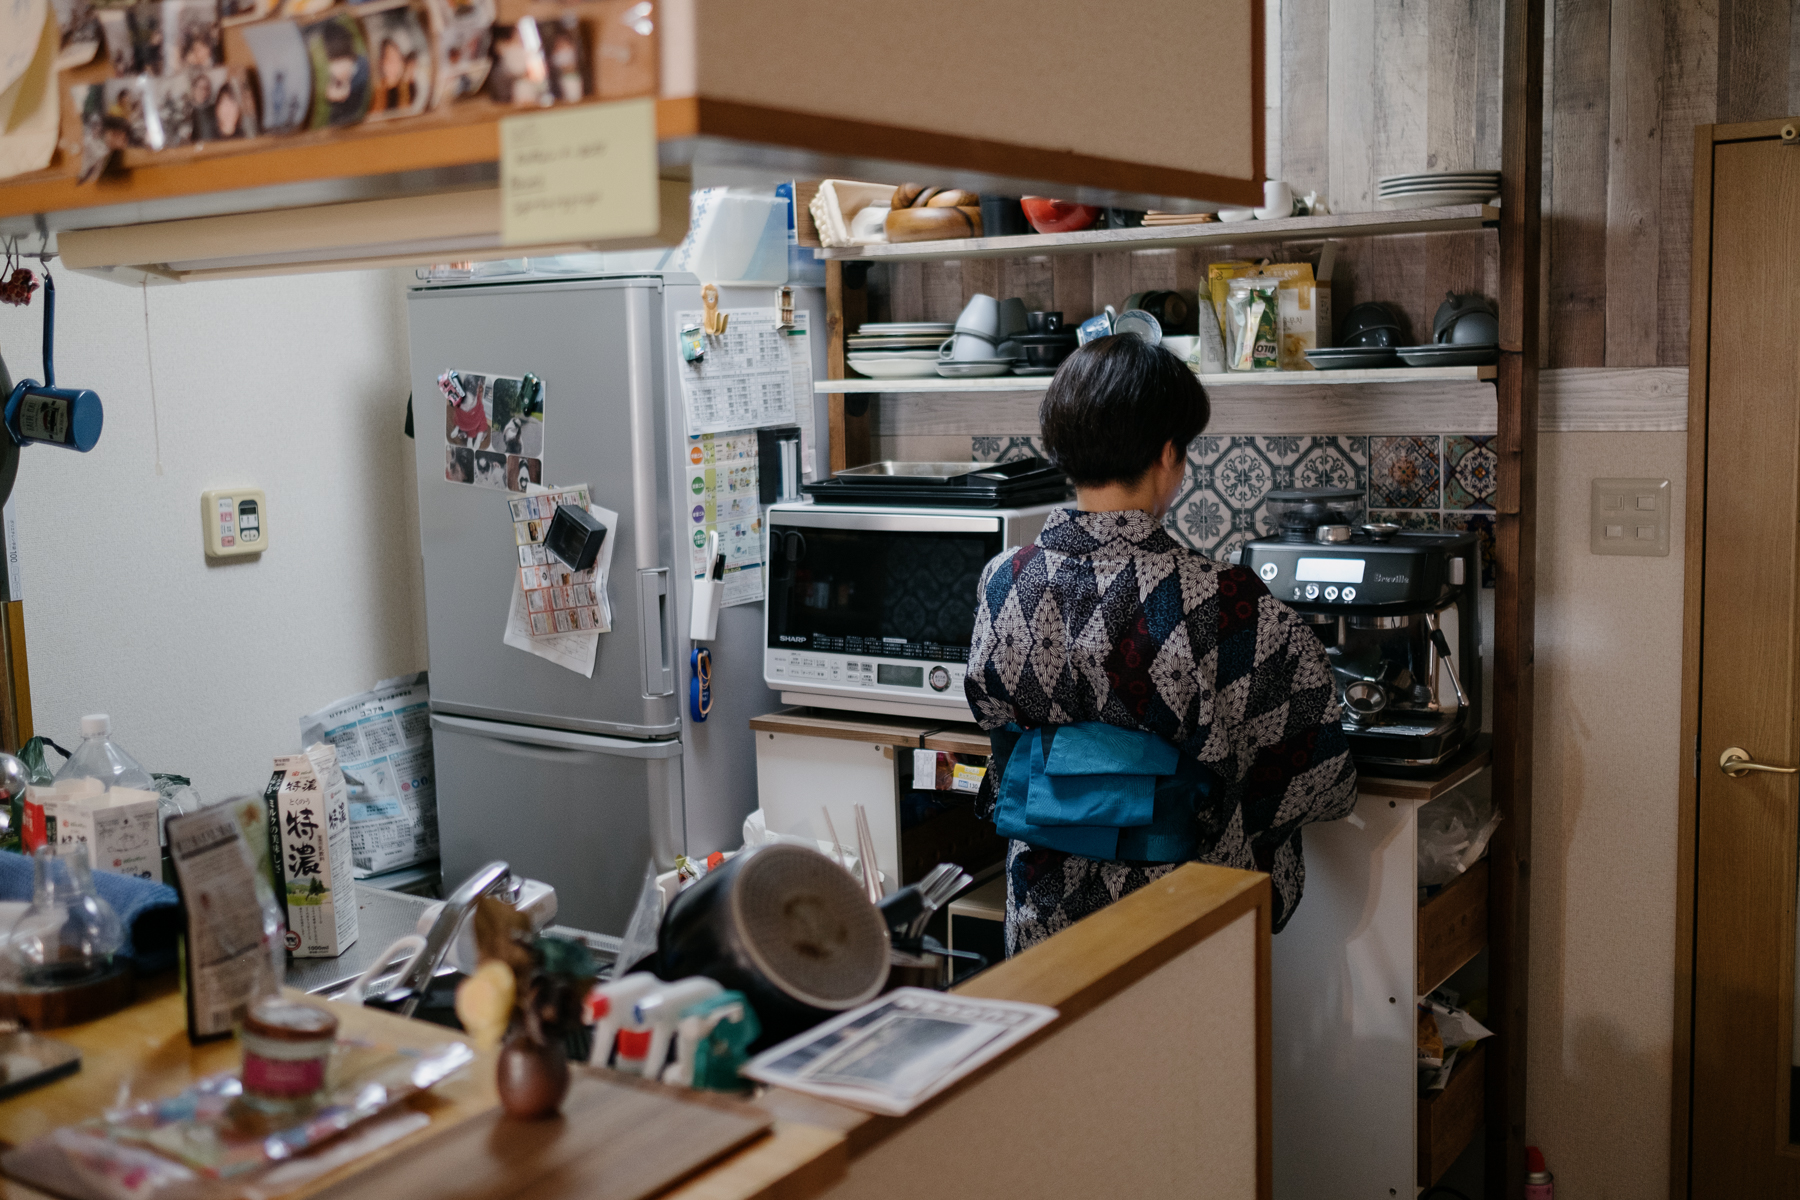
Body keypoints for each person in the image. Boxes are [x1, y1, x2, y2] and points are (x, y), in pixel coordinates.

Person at [965, 335, 1357, 954]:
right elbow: (1312, 761)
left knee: (1059, 1048)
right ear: (1169, 453)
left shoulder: (1004, 579)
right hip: (1178, 906)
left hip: (1041, 903)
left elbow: (999, 734)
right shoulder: (1218, 596)